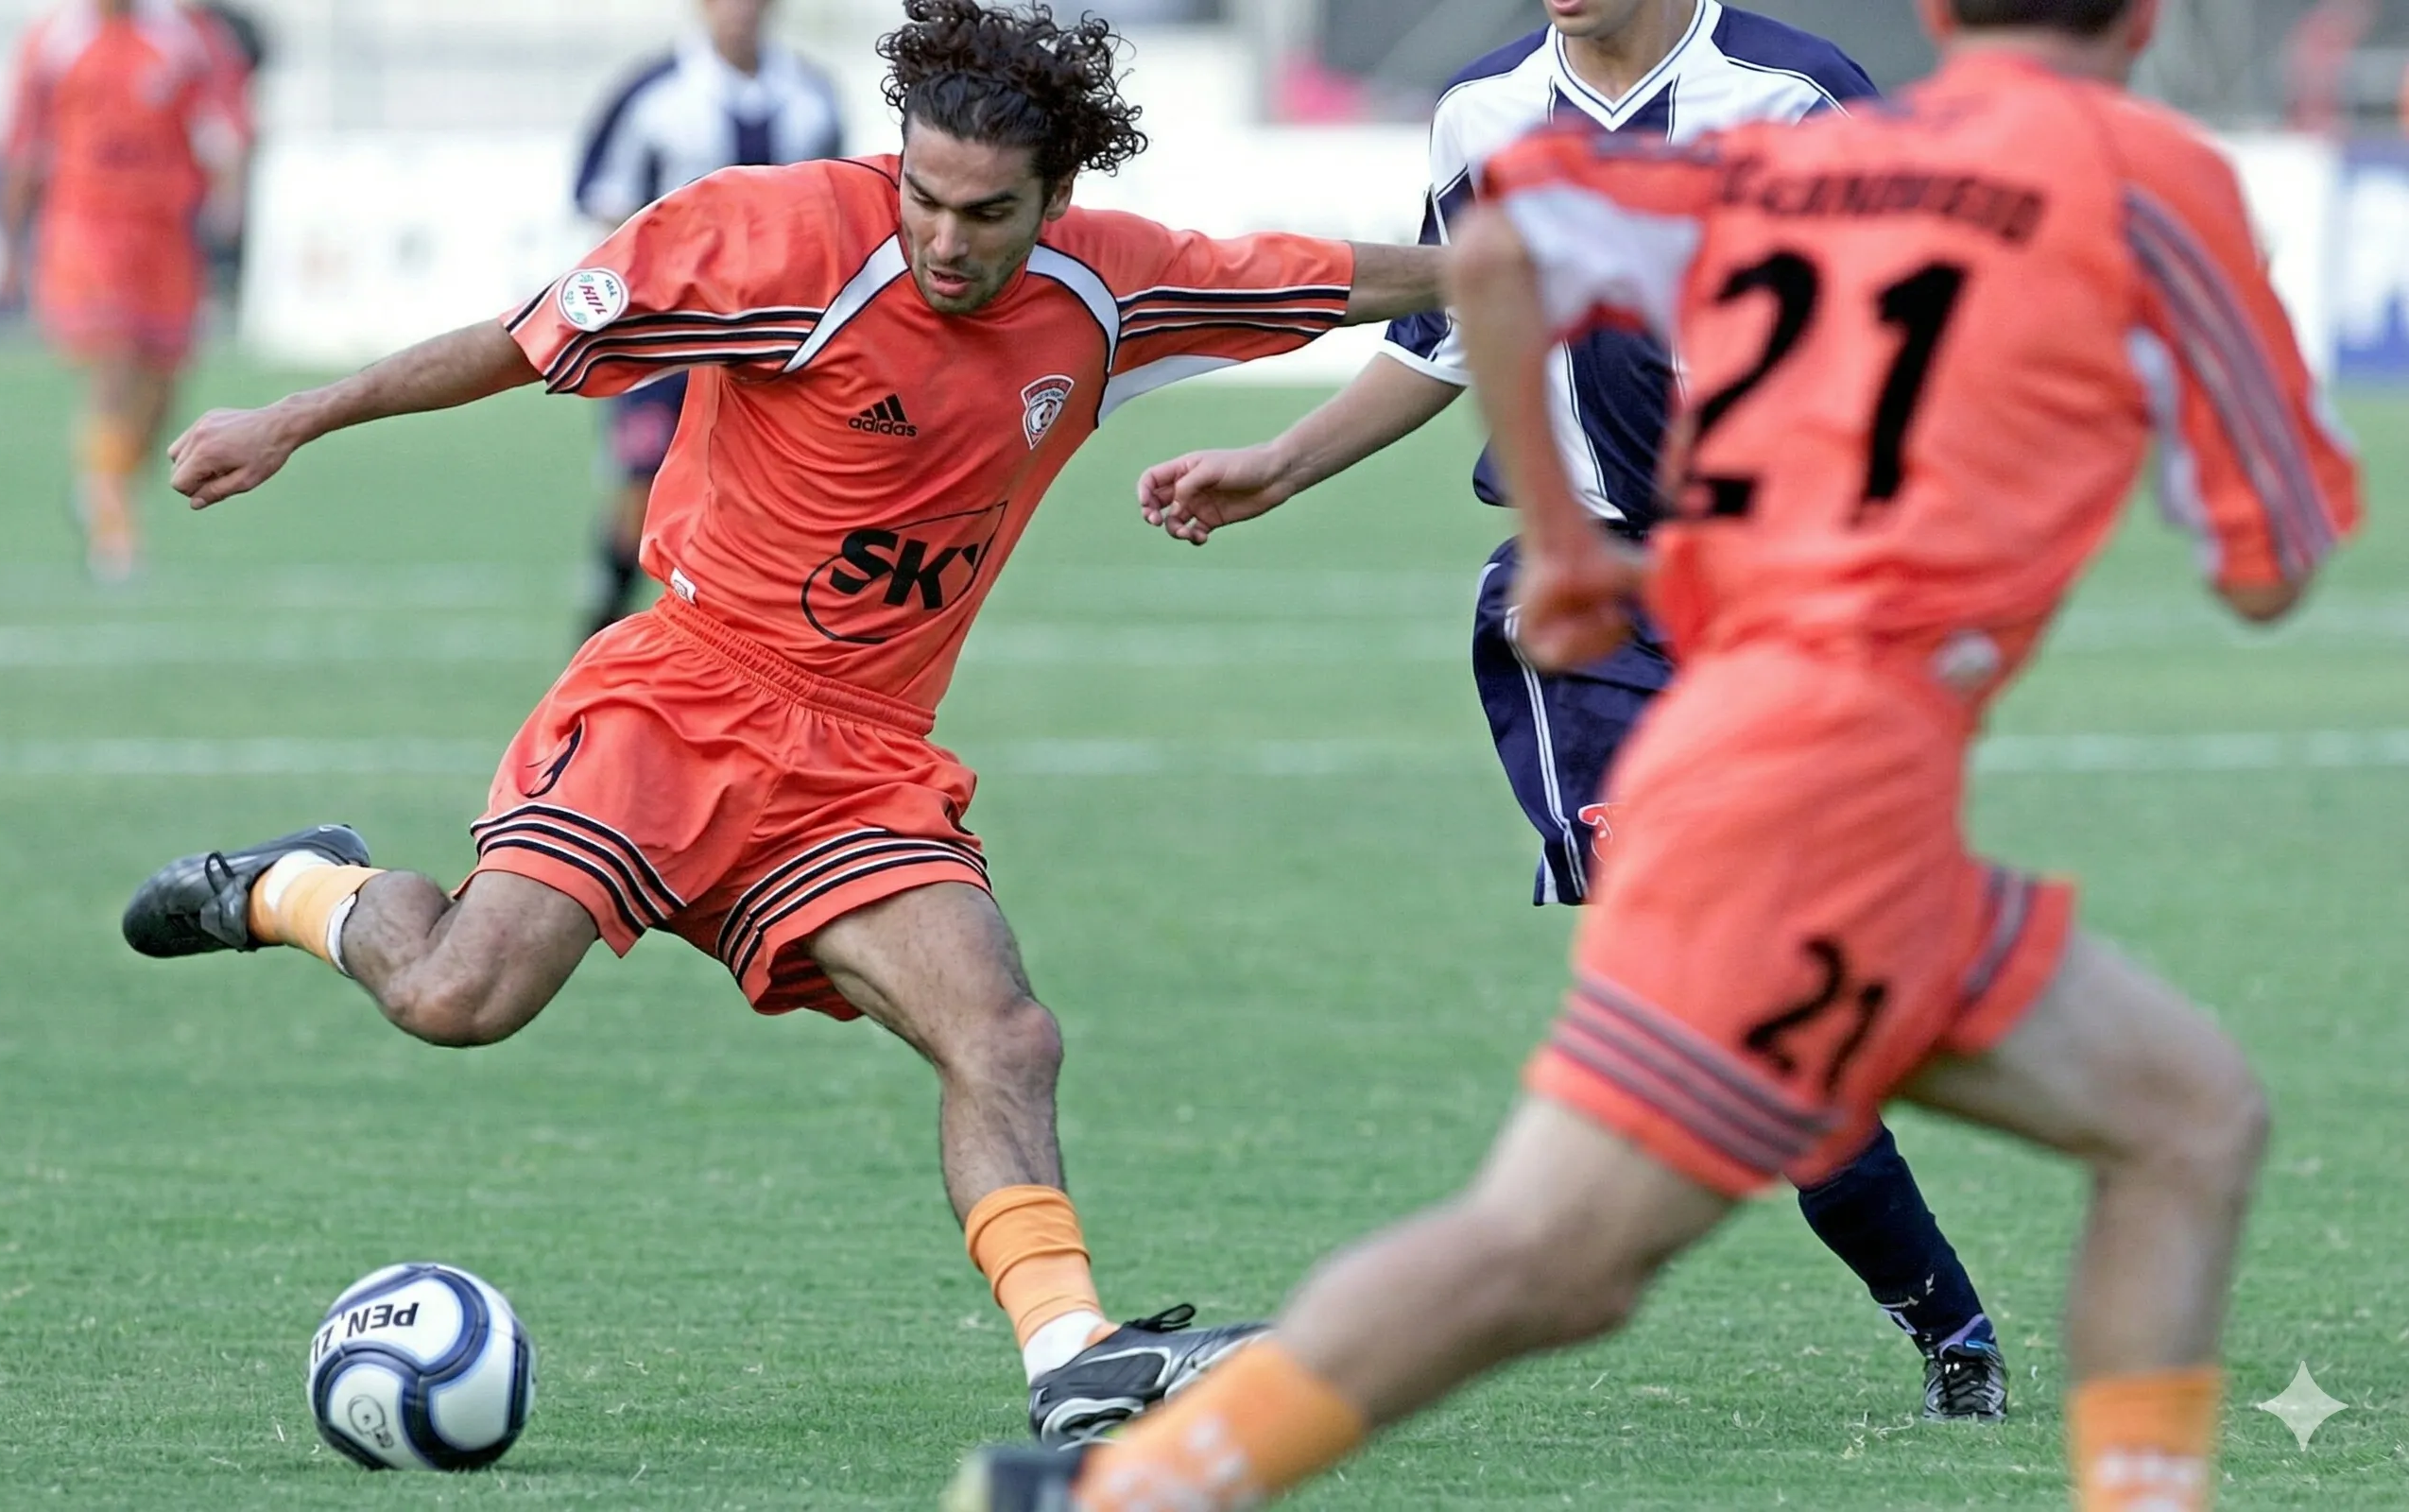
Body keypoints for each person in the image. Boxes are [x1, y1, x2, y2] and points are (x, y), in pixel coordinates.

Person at [951, 0, 2362, 1506]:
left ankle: (1119, 1492)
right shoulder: (2152, 176)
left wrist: (1556, 551)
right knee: (1566, 1248)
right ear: (2145, 17)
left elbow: (1500, 258)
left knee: (2173, 1119)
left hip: (1792, 765)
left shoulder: (1818, 149)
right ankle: (1121, 1493)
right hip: (1807, 774)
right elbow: (2267, 561)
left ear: (1944, 13)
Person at [117, 0, 1442, 1447]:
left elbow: (1353, 278)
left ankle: (1074, 1353)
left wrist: (1532, 254)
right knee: (456, 999)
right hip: (679, 698)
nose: (945, 239)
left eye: (986, 214)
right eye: (923, 195)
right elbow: (524, 338)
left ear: (1059, 198)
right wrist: (295, 419)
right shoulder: (778, 242)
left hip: (863, 758)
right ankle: (295, 884)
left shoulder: (1118, 287)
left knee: (1003, 1034)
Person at [1135, 0, 2007, 1418]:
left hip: (1782, 626)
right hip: (1585, 632)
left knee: (1766, 1019)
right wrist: (1282, 463)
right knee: (1732, 1000)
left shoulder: (1793, 98)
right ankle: (1946, 1329)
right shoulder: (1487, 109)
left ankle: (1945, 1323)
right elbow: (1450, 326)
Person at [574, 0, 848, 641]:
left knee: (777, 499)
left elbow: (837, 209)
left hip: (777, 342)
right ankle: (599, 633)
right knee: (640, 493)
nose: (739, 10)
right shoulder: (650, 95)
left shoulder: (813, 97)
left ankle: (763, 648)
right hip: (665, 339)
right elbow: (606, 207)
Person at [0, 0, 251, 583]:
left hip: (165, 231)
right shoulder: (54, 39)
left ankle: (105, 484)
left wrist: (228, 197)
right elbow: (23, 146)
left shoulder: (187, 35)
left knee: (164, 390)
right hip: (83, 223)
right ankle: (115, 533)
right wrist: (8, 244)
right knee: (114, 362)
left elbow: (226, 123)